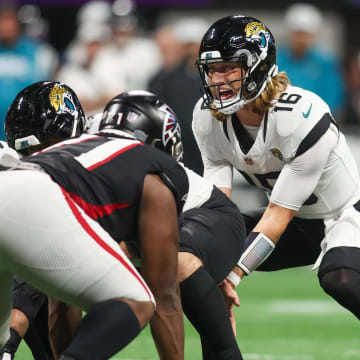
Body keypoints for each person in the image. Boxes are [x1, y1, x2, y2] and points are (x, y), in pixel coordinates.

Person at [192, 14, 360, 328]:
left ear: (257, 66)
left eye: (229, 68)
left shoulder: (299, 115)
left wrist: (231, 274)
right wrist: (206, 252)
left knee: (341, 277)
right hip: (298, 222)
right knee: (194, 240)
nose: (217, 80)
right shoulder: (207, 118)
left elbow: (276, 216)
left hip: (347, 213)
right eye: (212, 70)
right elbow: (217, 208)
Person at [0, 83, 188, 359]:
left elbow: (60, 308)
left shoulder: (79, 155)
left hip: (12, 181)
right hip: (30, 194)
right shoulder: (159, 170)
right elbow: (165, 298)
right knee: (138, 299)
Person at [93, 90, 246, 359]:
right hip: (159, 225)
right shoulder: (89, 153)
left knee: (175, 264)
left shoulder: (156, 175)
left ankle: (225, 351)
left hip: (207, 216)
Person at [0, 80, 86, 360]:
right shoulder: (12, 165)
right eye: (25, 152)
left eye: (43, 148)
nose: (35, 160)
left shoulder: (100, 157)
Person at [148, 17, 209, 175]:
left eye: (193, 45)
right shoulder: (165, 78)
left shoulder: (215, 75)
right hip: (177, 149)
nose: (190, 50)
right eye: (186, 46)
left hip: (208, 148)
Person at [0, 1, 58, 140]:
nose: (4, 26)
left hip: (25, 128)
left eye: (8, 20)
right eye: (1, 21)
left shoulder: (39, 52)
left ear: (17, 22)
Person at [277, 3, 345, 118]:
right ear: (290, 33)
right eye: (297, 34)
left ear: (313, 35)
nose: (301, 40)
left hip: (317, 119)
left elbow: (334, 97)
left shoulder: (326, 62)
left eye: (305, 35)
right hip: (279, 117)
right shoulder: (276, 59)